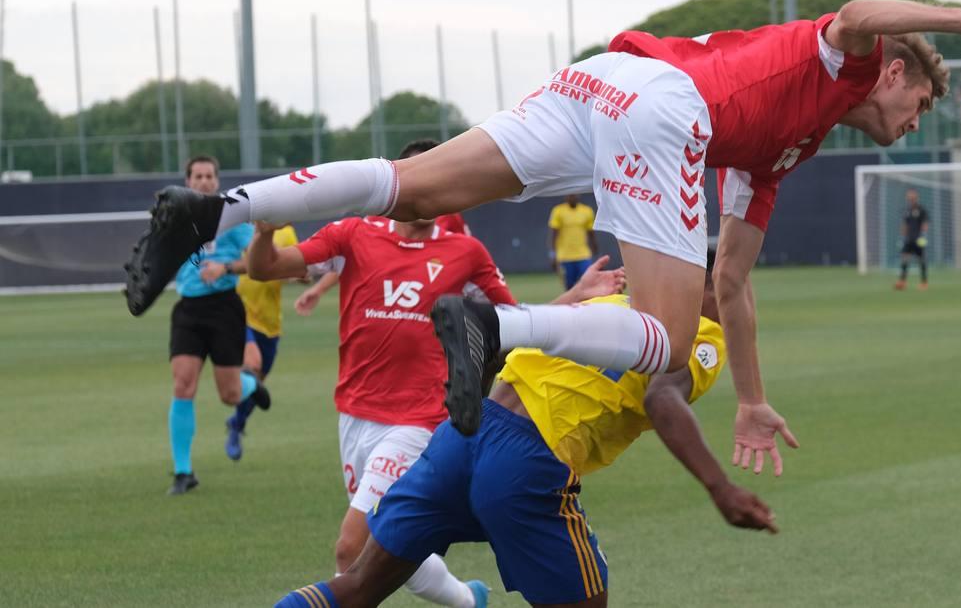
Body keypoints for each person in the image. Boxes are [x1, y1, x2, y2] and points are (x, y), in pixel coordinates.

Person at [125, 0, 961, 465]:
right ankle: (498, 328)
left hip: (598, 81)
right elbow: (853, 16)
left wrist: (756, 396)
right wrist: (959, 18)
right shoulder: (854, 61)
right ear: (894, 74)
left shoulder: (782, 152)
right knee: (668, 346)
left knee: (415, 190)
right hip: (660, 107)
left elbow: (734, 279)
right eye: (923, 98)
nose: (918, 116)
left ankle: (215, 210)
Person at [273, 247, 778, 608]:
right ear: (703, 287)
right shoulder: (700, 333)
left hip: (461, 438)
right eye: (736, 287)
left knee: (359, 586)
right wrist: (720, 488)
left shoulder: (610, 306)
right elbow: (663, 397)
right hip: (525, 459)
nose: (742, 302)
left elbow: (498, 348)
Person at [245, 138, 625, 606]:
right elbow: (264, 269)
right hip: (355, 414)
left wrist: (575, 296)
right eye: (418, 179)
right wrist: (264, 234)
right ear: (398, 184)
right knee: (391, 548)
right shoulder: (352, 235)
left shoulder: (465, 252)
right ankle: (470, 599)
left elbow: (513, 323)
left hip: (419, 420)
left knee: (352, 548)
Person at [160, 155, 269, 495]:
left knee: (229, 395)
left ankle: (249, 386)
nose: (204, 181)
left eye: (209, 176)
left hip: (224, 309)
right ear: (188, 181)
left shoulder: (232, 217)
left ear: (217, 180)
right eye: (198, 176)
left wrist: (224, 268)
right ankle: (183, 472)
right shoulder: (176, 218)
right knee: (183, 386)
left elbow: (255, 260)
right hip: (188, 311)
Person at [225, 222, 299, 461]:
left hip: (270, 322)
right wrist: (226, 268)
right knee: (252, 364)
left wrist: (303, 276)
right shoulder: (247, 232)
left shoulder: (288, 233)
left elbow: (298, 268)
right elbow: (244, 264)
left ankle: (236, 423)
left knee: (257, 386)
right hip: (241, 313)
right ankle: (236, 425)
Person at [548, 194, 598, 290]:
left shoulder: (587, 211)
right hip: (565, 256)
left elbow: (591, 233)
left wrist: (596, 251)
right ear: (565, 196)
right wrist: (552, 255)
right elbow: (553, 235)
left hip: (583, 255)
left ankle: (586, 304)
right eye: (570, 195)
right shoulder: (558, 211)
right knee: (569, 287)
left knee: (588, 283)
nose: (573, 197)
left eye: (575, 194)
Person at [894, 189, 930, 291]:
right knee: (904, 259)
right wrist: (902, 237)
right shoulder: (907, 210)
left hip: (918, 239)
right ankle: (902, 281)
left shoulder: (922, 210)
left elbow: (925, 224)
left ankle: (924, 282)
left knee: (921, 260)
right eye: (909, 197)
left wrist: (923, 236)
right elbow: (905, 225)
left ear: (916, 197)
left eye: (912, 197)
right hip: (908, 239)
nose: (910, 199)